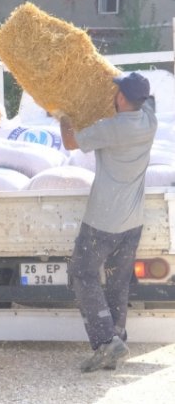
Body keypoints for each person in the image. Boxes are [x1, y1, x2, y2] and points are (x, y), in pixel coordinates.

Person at [56, 72, 156, 373]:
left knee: (81, 273)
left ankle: (105, 343)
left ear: (122, 98)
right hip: (132, 221)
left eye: (117, 92)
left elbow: (71, 141)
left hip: (103, 220)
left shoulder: (113, 129)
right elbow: (148, 101)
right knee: (116, 281)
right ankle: (118, 337)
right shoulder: (150, 121)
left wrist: (63, 113)